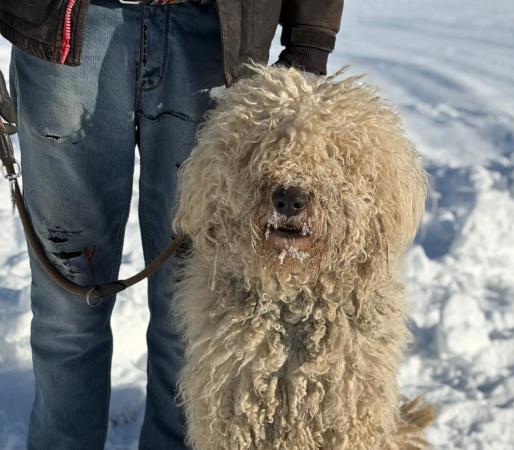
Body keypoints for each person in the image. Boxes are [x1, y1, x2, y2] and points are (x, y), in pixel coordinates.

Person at [0, 0, 343, 448]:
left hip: (215, 34)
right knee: (67, 302)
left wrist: (309, 42)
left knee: (194, 305)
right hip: (63, 28)